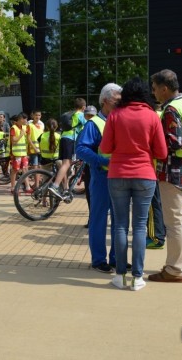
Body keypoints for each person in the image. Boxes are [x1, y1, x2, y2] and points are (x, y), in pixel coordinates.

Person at [101, 77, 167, 291]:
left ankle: (120, 275)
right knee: (139, 226)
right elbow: (162, 152)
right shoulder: (152, 116)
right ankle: (137, 277)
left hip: (118, 173)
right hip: (145, 175)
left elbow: (105, 148)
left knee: (120, 225)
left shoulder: (115, 115)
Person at [149, 69, 182, 283]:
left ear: (164, 88)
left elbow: (173, 143)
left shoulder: (171, 110)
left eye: (154, 89)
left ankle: (174, 269)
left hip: (173, 171)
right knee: (179, 220)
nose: (153, 93)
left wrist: (152, 147)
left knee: (173, 222)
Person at [75, 83, 121, 273]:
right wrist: (101, 161)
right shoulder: (94, 124)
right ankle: (99, 259)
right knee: (99, 219)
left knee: (120, 220)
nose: (120, 103)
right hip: (102, 176)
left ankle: (116, 259)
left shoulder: (120, 120)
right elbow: (81, 149)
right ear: (105, 101)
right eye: (117, 100)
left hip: (120, 177)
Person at [48, 98, 87, 199]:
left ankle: (65, 189)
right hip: (70, 139)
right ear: (83, 107)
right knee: (66, 164)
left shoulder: (71, 114)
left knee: (66, 164)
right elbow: (88, 126)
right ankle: (55, 185)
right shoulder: (80, 115)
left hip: (64, 138)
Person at [81, 105, 98, 228]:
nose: (89, 117)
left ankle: (96, 218)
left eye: (92, 115)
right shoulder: (85, 127)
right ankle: (92, 217)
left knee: (94, 193)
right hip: (89, 164)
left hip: (97, 165)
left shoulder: (99, 125)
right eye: (88, 115)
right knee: (89, 192)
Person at [9, 112, 29, 193]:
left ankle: (27, 187)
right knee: (15, 170)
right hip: (16, 154)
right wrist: (21, 134)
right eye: (25, 119)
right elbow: (13, 140)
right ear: (21, 119)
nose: (26, 121)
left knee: (25, 169)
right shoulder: (13, 128)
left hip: (23, 153)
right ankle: (13, 188)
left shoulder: (24, 127)